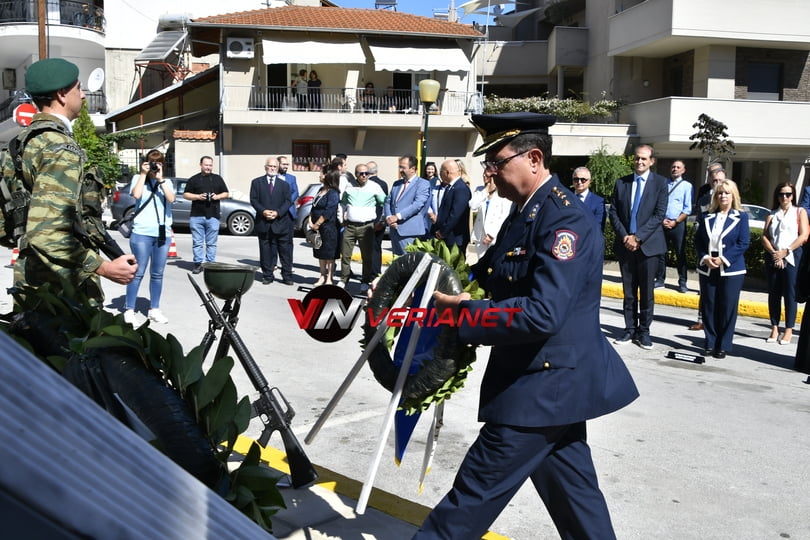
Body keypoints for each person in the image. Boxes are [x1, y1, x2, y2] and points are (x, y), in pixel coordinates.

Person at [417, 112, 638, 539]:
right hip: (553, 389)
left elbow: (542, 312)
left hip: (541, 388)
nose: (490, 172)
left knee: (467, 503)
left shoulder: (563, 220)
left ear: (534, 159)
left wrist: (462, 313)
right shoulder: (525, 213)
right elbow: (486, 275)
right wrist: (422, 284)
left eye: (497, 162)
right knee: (577, 503)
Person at [15, 58, 136, 306]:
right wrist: (103, 267)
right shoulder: (60, 148)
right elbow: (46, 232)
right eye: (78, 88)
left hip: (35, 279)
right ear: (61, 94)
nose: (82, 95)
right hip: (61, 288)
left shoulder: (26, 140)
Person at [607, 144, 668, 350]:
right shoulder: (622, 183)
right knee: (629, 292)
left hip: (648, 247)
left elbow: (659, 215)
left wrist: (638, 238)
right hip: (626, 246)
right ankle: (629, 329)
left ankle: (644, 332)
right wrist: (626, 236)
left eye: (644, 158)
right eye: (637, 158)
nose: (639, 162)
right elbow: (614, 212)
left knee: (647, 292)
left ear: (651, 161)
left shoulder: (660, 183)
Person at [695, 179, 749, 358]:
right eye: (720, 193)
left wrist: (723, 259)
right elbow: (698, 241)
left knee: (727, 307)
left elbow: (743, 243)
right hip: (708, 267)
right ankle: (710, 342)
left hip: (731, 269)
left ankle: (723, 345)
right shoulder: (706, 216)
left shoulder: (741, 217)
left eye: (727, 192)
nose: (723, 196)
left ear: (733, 195)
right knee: (709, 305)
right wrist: (705, 257)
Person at [123, 150, 176, 326]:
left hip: (162, 233)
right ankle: (129, 310)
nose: (154, 166)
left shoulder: (167, 182)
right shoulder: (138, 179)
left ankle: (155, 309)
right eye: (152, 163)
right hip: (142, 233)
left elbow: (171, 199)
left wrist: (160, 180)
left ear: (162, 165)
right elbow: (136, 195)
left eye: (158, 163)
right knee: (137, 272)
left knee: (157, 274)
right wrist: (143, 174)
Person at [761, 182, 808, 345]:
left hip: (792, 257)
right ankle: (774, 327)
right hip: (773, 257)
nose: (784, 197)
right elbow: (765, 237)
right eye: (781, 194)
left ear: (793, 196)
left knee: (790, 293)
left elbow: (803, 235)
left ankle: (788, 329)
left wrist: (786, 251)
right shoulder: (772, 214)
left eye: (788, 194)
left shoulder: (799, 212)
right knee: (774, 293)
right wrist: (775, 254)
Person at [690, 166, 727, 331]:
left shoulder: (730, 198)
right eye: (714, 180)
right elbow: (699, 223)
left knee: (722, 291)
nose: (716, 183)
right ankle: (702, 320)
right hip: (707, 251)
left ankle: (719, 322)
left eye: (720, 180)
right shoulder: (704, 200)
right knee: (705, 289)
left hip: (724, 252)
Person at [338, 163, 386, 290]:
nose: (364, 175)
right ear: (356, 174)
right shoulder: (349, 186)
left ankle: (365, 281)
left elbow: (385, 203)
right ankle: (344, 279)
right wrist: (341, 218)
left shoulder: (375, 187)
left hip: (367, 227)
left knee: (367, 256)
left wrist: (382, 221)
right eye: (361, 173)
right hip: (350, 226)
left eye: (366, 173)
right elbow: (342, 203)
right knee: (346, 255)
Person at [249, 157, 294, 285]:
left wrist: (278, 213)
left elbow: (288, 201)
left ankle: (287, 275)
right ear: (265, 167)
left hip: (280, 223)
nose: (272, 168)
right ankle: (267, 275)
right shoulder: (256, 182)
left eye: (275, 166)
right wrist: (263, 211)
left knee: (285, 251)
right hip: (263, 223)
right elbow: (254, 200)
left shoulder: (284, 185)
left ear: (278, 168)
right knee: (265, 251)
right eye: (270, 166)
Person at [183, 155, 229, 274]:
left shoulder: (217, 179)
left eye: (210, 165)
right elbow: (186, 194)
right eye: (206, 165)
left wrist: (216, 196)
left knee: (211, 243)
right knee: (197, 243)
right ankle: (198, 264)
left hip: (213, 216)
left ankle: (210, 264)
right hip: (196, 215)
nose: (208, 167)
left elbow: (226, 193)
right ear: (201, 165)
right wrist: (198, 197)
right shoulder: (194, 179)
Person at [656, 160, 693, 292]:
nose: (675, 169)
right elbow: (657, 204)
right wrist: (662, 220)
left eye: (678, 167)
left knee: (680, 254)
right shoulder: (663, 184)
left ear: (683, 170)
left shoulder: (687, 186)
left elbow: (687, 209)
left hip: (678, 224)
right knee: (660, 253)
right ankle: (660, 279)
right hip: (662, 223)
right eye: (673, 167)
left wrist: (675, 221)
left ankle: (682, 282)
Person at [384, 155, 431, 255]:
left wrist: (397, 217)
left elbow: (417, 205)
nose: (400, 170)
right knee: (397, 262)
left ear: (413, 169)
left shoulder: (423, 184)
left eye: (403, 167)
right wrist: (389, 218)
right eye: (399, 167)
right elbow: (388, 201)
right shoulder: (397, 184)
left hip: (409, 231)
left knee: (409, 261)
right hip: (394, 230)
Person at [468, 169, 511, 261]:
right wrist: (486, 190)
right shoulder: (480, 190)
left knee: (492, 261)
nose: (484, 176)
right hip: (480, 235)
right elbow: (473, 205)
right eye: (483, 174)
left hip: (493, 235)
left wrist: (492, 234)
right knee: (481, 261)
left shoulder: (502, 192)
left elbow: (504, 215)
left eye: (487, 175)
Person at [308, 165, 341, 286]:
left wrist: (318, 223)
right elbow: (314, 206)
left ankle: (329, 278)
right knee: (320, 252)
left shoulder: (333, 192)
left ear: (328, 175)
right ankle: (322, 275)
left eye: (322, 173)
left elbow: (329, 210)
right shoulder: (320, 190)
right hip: (317, 227)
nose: (320, 175)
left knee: (329, 253)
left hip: (328, 227)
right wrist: (310, 220)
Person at [431, 158, 472, 252]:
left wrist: (443, 231)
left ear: (447, 172)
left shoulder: (460, 188)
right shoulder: (451, 187)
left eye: (441, 171)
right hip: (447, 237)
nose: (440, 174)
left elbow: (455, 214)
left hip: (454, 238)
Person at [277, 155, 300, 275]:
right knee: (274, 240)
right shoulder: (272, 178)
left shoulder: (291, 178)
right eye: (284, 164)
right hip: (276, 213)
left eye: (287, 164)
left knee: (288, 242)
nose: (286, 166)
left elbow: (296, 192)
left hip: (288, 213)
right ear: (278, 164)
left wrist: (286, 203)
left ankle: (288, 264)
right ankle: (273, 263)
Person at [366, 161, 389, 278]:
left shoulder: (366, 184)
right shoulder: (383, 184)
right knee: (377, 247)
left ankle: (370, 273)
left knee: (368, 249)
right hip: (380, 221)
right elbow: (385, 203)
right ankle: (376, 271)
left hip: (369, 220)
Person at [571, 166, 605, 232]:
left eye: (583, 180)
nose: (579, 182)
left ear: (590, 181)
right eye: (576, 179)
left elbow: (598, 227)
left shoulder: (598, 202)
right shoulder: (565, 198)